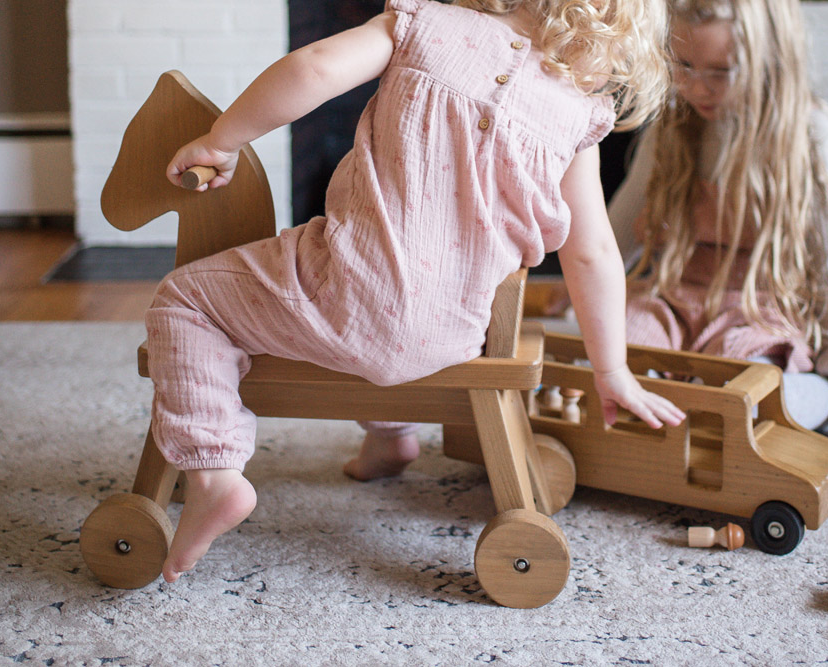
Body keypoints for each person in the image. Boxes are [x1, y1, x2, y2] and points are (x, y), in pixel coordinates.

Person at [151, 0, 685, 583]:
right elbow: (592, 252)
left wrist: (221, 139)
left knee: (186, 299)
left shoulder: (422, 26)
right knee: (401, 297)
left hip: (348, 294)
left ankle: (214, 472)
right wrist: (611, 371)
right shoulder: (577, 109)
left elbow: (315, 69)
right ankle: (392, 441)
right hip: (453, 333)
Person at [551, 0, 828, 470]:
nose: (698, 87)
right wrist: (576, 286)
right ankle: (673, 399)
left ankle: (824, 388)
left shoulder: (816, 138)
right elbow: (618, 221)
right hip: (677, 297)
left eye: (722, 71)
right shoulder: (675, 127)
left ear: (772, 59)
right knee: (615, 348)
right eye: (683, 65)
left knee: (746, 385)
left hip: (758, 310)